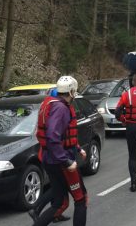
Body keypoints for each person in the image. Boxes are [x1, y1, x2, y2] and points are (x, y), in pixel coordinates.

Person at [33, 76, 88, 226]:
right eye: (74, 91)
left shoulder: (51, 103)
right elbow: (52, 135)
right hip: (60, 161)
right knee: (81, 198)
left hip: (49, 158)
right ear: (71, 91)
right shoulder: (61, 108)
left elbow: (63, 134)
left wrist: (77, 148)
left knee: (60, 202)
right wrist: (66, 161)